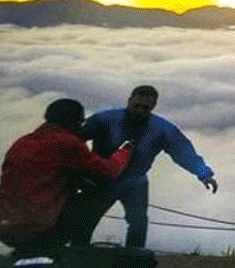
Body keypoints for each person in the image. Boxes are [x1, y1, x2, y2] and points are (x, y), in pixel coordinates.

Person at [80, 85, 218, 248]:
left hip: (135, 182)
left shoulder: (161, 129)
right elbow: (75, 141)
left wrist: (204, 173)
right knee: (85, 221)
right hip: (102, 179)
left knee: (138, 223)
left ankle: (134, 262)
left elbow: (183, 152)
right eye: (136, 106)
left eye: (145, 108)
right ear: (129, 101)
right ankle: (76, 256)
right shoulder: (105, 119)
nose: (139, 111)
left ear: (153, 106)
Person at [0, 99, 133, 259]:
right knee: (106, 191)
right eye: (80, 122)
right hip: (36, 228)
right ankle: (77, 250)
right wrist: (125, 150)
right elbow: (109, 171)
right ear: (73, 122)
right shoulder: (66, 142)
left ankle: (30, 250)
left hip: (6, 227)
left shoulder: (22, 142)